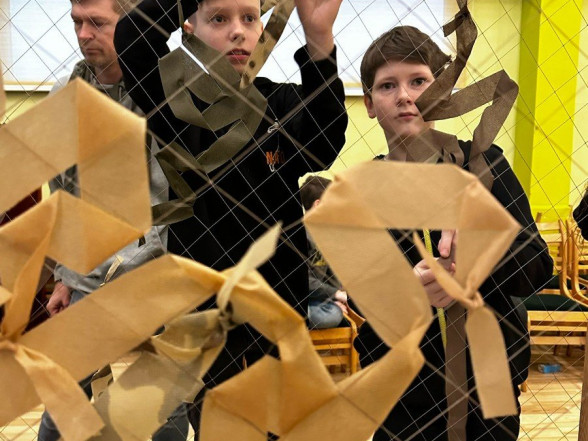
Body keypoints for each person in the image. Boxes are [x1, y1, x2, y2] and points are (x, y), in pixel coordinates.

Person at [114, 0, 347, 436]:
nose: (238, 31)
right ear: (189, 28)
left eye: (249, 18)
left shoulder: (278, 101)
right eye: (219, 19)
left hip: (278, 311)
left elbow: (324, 142)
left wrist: (318, 39)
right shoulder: (175, 104)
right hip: (207, 319)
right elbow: (132, 40)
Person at [353, 26, 553, 441]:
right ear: (369, 104)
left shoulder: (486, 166)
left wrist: (478, 258)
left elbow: (537, 264)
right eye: (388, 85)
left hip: (489, 387)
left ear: (443, 91)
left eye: (419, 81)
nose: (405, 96)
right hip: (403, 395)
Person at [38, 1, 188, 441]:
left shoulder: (170, 93)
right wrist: (62, 277)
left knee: (167, 414)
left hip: (159, 274)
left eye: (98, 23)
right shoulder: (64, 99)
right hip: (89, 275)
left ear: (131, 25)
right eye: (77, 22)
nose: (84, 34)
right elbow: (62, 196)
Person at [300, 175, 348, 329]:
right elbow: (304, 281)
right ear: (318, 204)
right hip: (300, 298)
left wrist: (338, 293)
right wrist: (335, 294)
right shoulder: (304, 235)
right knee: (329, 316)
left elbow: (329, 273)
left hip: (317, 297)